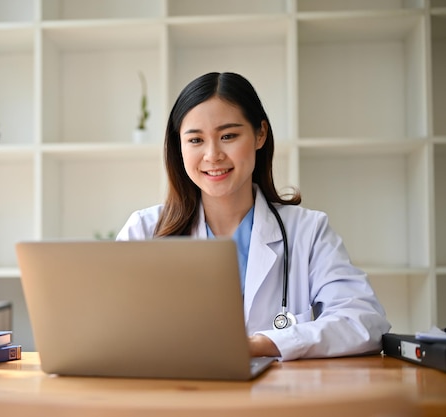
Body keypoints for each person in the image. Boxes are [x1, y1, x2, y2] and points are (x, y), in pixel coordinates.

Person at [116, 72, 391, 361]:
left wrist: (261, 344)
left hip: (278, 401)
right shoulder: (144, 231)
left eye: (228, 136)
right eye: (196, 140)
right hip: (176, 398)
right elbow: (105, 327)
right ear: (179, 146)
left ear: (260, 134)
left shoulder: (307, 231)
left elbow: (364, 321)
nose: (212, 155)